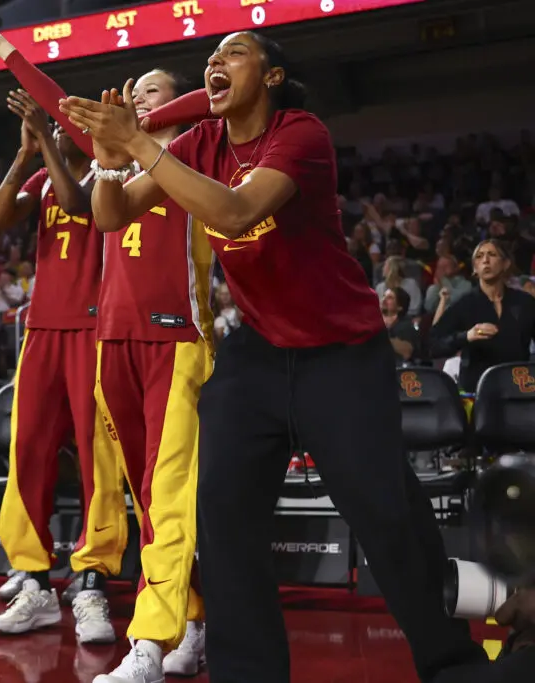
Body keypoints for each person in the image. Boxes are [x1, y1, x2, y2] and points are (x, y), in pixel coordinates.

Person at [60, 30, 506, 683]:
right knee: (224, 508)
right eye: (210, 56)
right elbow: (114, 213)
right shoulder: (200, 143)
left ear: (270, 77)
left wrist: (138, 144)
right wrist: (105, 157)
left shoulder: (301, 134)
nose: (215, 61)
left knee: (387, 518)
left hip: (341, 351)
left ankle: (450, 662)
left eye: (234, 53)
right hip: (261, 350)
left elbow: (236, 212)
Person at [0, 17, 217, 675]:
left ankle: (148, 638)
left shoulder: (199, 148)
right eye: (135, 92)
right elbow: (60, 109)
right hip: (113, 342)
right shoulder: (116, 164)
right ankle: (190, 620)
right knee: (147, 499)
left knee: (162, 496)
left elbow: (211, 99)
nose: (139, 101)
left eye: (153, 92)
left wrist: (146, 120)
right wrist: (10, 55)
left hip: (174, 341)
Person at [0, 65, 114, 640]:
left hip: (93, 331)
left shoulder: (109, 176)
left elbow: (79, 205)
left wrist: (51, 145)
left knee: (94, 458)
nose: (55, 132)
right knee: (28, 451)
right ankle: (32, 577)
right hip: (41, 332)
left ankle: (90, 580)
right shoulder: (42, 177)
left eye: (64, 125)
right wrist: (24, 153)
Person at [430, 239, 535, 393]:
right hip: (478, 392)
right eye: (479, 257)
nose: (485, 260)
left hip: (519, 389)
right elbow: (433, 345)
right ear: (475, 269)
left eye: (492, 255)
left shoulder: (525, 302)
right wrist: (467, 336)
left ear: (505, 264)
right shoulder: (464, 304)